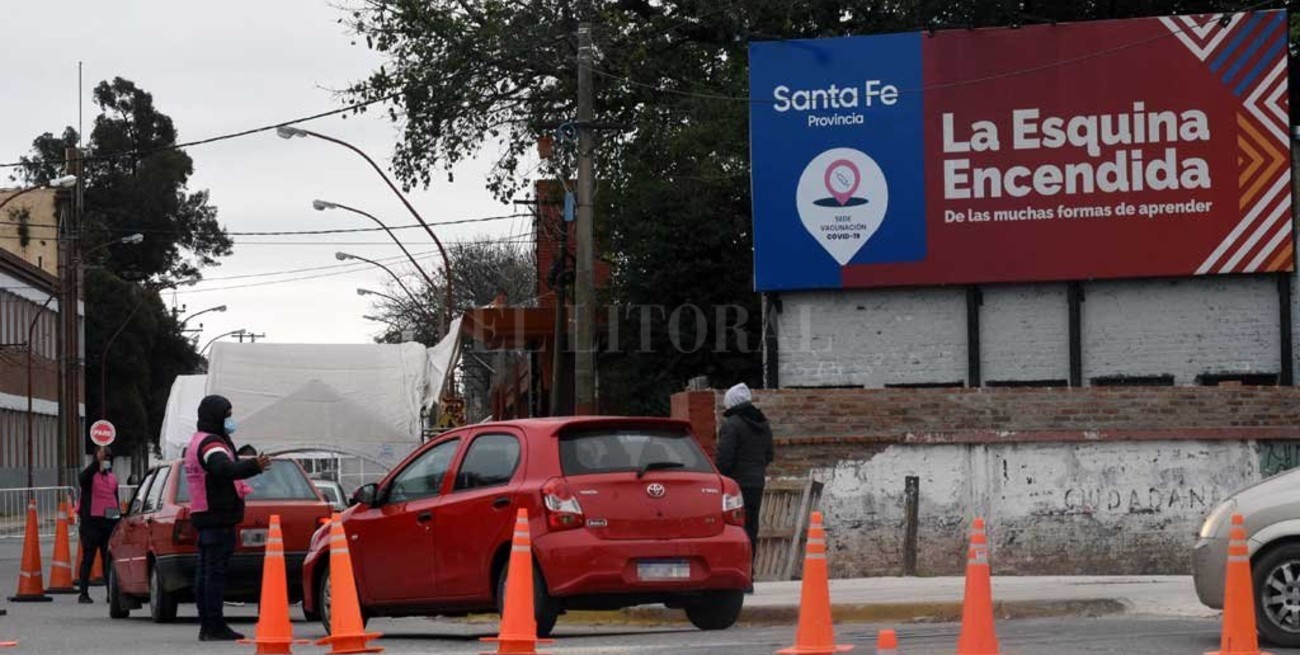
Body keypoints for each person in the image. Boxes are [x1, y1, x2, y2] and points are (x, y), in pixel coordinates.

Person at [184, 395, 270, 642]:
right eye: (227, 414)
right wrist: (254, 466)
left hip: (205, 514)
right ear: (215, 416)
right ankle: (214, 625)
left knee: (206, 573)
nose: (230, 420)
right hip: (216, 516)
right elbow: (223, 469)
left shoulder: (198, 440)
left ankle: (208, 624)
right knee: (214, 574)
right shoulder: (212, 444)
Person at [715, 383, 774, 585]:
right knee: (751, 529)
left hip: (736, 487)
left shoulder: (732, 424)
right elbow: (769, 455)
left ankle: (738, 575)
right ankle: (750, 575)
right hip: (756, 483)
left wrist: (723, 479)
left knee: (734, 530)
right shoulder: (763, 423)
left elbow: (724, 460)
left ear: (731, 402)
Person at [77, 445, 120, 604]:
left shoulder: (113, 478)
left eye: (108, 460)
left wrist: (116, 523)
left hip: (107, 524)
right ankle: (83, 593)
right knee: (88, 558)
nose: (106, 463)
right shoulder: (91, 476)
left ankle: (111, 593)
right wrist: (97, 462)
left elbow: (113, 501)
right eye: (104, 459)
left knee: (107, 560)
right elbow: (82, 479)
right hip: (91, 524)